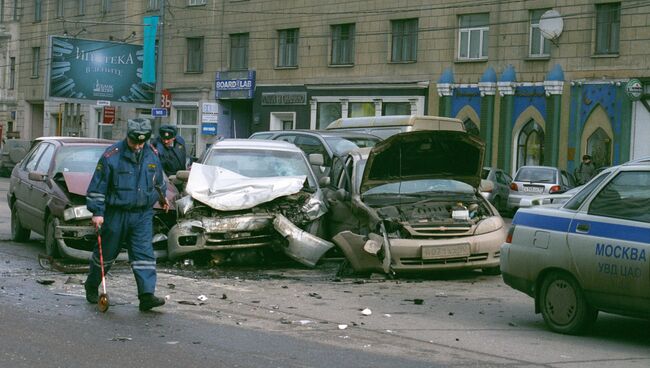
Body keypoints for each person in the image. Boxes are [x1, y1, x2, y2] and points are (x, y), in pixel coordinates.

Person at [84, 118, 169, 312]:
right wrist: (97, 212)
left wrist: (163, 198)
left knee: (144, 255)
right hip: (116, 213)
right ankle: (92, 284)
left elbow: (158, 181)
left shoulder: (152, 155)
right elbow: (98, 187)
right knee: (106, 254)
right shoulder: (111, 156)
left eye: (142, 142)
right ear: (127, 137)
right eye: (134, 142)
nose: (138, 146)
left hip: (142, 215)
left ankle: (146, 295)